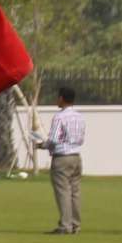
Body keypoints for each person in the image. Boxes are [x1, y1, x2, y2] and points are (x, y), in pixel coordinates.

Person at [45, 86, 84, 235]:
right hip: (76, 156)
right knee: (75, 192)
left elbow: (54, 139)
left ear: (61, 98)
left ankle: (65, 225)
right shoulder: (79, 117)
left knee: (63, 192)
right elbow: (81, 137)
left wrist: (43, 145)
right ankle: (75, 224)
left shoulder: (59, 117)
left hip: (62, 157)